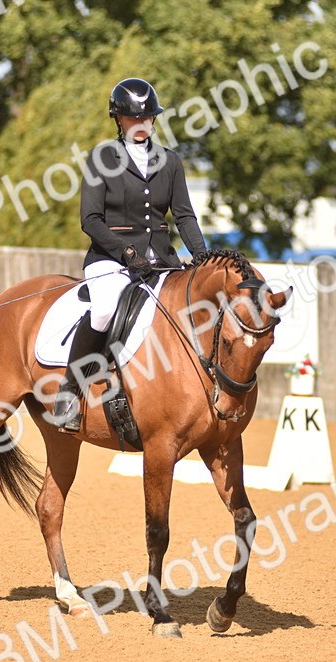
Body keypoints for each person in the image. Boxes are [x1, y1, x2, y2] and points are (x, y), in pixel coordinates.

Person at [51, 77, 208, 432]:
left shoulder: (170, 162)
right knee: (105, 306)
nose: (141, 125)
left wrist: (201, 255)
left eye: (147, 119)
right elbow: (90, 220)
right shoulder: (102, 157)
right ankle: (70, 392)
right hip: (111, 258)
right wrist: (126, 251)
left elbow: (183, 215)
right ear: (119, 120)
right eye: (134, 119)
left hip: (161, 261)